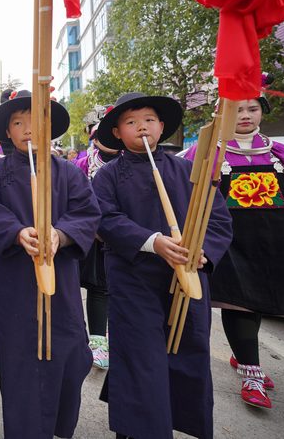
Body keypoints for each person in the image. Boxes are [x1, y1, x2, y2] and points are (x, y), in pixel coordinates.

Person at [92, 92, 232, 439]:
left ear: (162, 127)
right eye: (130, 121)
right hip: (133, 279)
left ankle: (173, 419)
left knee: (187, 353)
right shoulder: (107, 176)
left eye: (149, 119)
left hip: (185, 278)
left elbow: (217, 221)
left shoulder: (189, 170)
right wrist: (153, 242)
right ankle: (138, 429)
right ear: (117, 133)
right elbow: (104, 219)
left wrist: (203, 253)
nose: (141, 126)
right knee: (141, 356)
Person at [0, 90, 100, 439]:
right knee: (18, 358)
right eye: (18, 122)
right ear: (8, 132)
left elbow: (87, 213)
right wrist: (16, 233)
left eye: (36, 120)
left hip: (59, 278)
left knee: (70, 352)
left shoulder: (70, 173)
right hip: (12, 281)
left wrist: (61, 235)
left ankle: (59, 425)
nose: (28, 128)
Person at [182, 90, 284, 410]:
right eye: (237, 111)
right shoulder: (205, 151)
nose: (246, 116)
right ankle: (252, 372)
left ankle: (242, 356)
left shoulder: (281, 153)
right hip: (229, 240)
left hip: (276, 241)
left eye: (252, 109)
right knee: (240, 302)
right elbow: (188, 196)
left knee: (261, 299)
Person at [73, 113, 119, 370]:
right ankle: (97, 340)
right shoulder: (82, 163)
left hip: (124, 235)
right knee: (97, 285)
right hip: (92, 235)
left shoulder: (131, 161)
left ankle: (118, 337)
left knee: (120, 284)